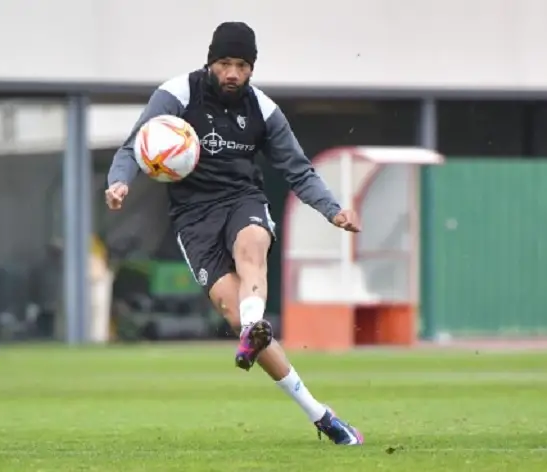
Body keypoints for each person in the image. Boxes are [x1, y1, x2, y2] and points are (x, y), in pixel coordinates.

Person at [105, 21, 364, 446]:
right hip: (193, 218)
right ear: (210, 62)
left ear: (251, 68)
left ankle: (252, 326)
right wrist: (120, 182)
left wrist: (333, 211)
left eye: (241, 65)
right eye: (224, 63)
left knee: (252, 244)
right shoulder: (177, 95)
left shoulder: (262, 110)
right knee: (233, 309)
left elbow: (298, 170)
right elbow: (133, 146)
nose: (231, 73)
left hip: (242, 199)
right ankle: (320, 414)